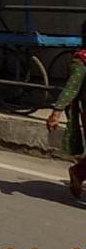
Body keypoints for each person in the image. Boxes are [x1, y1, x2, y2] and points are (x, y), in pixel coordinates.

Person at [46, 22, 86, 199]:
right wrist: (57, 111)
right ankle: (78, 172)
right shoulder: (82, 60)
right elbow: (71, 87)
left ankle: (79, 173)